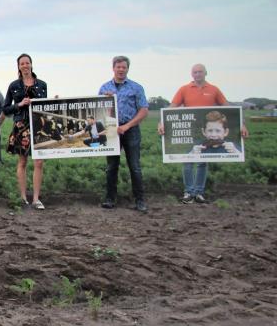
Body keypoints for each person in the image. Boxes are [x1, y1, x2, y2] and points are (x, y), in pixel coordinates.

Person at [159, 64, 248, 204]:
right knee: (187, 161)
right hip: (191, 131)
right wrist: (161, 122)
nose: (197, 74)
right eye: (195, 72)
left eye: (200, 72)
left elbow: (228, 108)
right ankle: (188, 192)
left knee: (202, 163)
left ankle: (199, 192)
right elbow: (172, 107)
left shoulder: (214, 89)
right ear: (191, 74)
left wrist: (241, 124)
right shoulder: (184, 89)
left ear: (206, 73)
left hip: (208, 131)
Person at [99, 56, 149, 213]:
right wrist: (105, 102)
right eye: (118, 67)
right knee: (112, 166)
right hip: (112, 131)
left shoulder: (136, 88)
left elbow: (143, 110)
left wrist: (127, 126)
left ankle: (140, 200)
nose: (121, 69)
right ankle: (110, 198)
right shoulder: (104, 87)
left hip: (131, 130)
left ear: (128, 69)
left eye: (124, 67)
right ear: (113, 68)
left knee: (134, 166)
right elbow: (99, 111)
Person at [2, 53, 48, 209]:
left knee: (39, 162)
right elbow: (6, 108)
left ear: (31, 65)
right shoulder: (14, 86)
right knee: (22, 161)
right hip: (21, 126)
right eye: (22, 63)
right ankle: (23, 198)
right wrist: (19, 104)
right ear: (18, 66)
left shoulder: (42, 85)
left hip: (38, 126)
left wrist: (54, 100)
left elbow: (45, 106)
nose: (25, 65)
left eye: (27, 63)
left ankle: (36, 199)